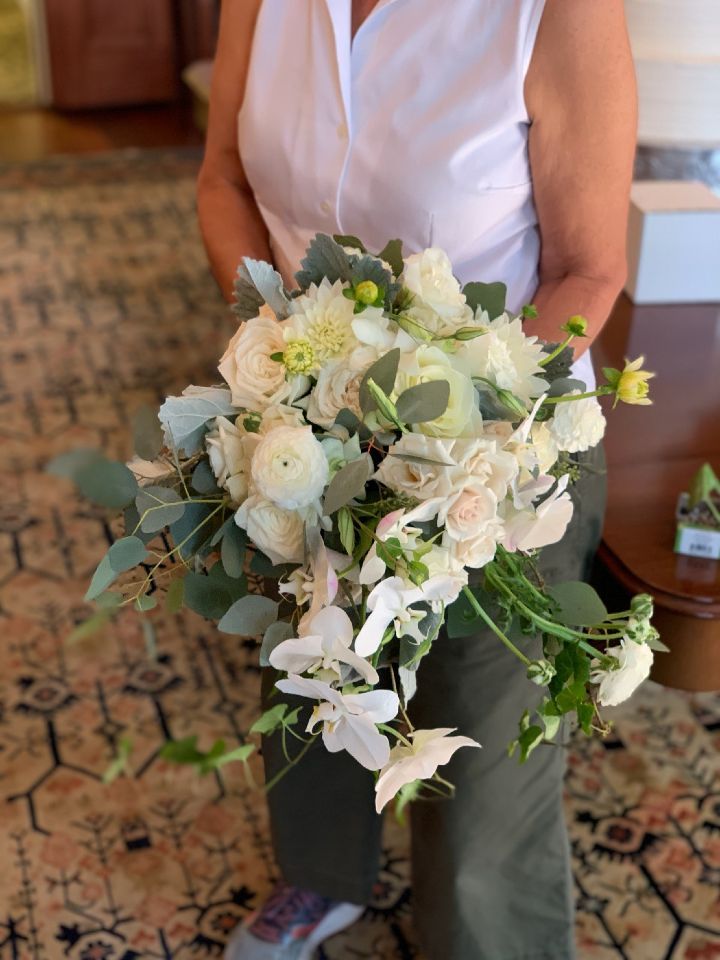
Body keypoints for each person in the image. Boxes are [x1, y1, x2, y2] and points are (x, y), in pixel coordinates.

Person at [196, 2, 637, 958]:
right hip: (303, 432)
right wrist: (273, 365)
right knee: (313, 672)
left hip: (499, 452)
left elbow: (589, 270)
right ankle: (320, 876)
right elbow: (224, 180)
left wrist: (456, 443)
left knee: (478, 759)